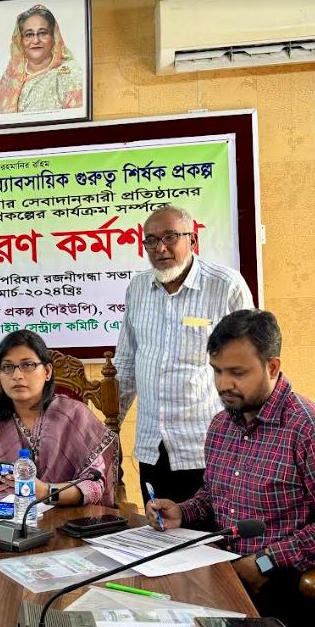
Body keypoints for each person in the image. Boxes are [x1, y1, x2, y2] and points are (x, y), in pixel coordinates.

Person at [147, 310, 315, 627]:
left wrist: (266, 561)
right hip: (234, 580)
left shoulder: (314, 431)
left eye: (237, 373)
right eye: (217, 371)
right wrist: (183, 512)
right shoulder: (222, 426)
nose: (223, 384)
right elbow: (215, 496)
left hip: (299, 592)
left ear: (272, 367)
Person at [114, 205, 254, 504]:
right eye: (151, 240)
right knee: (159, 527)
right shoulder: (138, 288)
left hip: (207, 446)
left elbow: (248, 365)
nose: (160, 248)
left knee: (210, 532)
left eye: (170, 237)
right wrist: (111, 425)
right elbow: (126, 363)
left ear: (193, 240)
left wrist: (249, 435)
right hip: (152, 446)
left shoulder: (225, 286)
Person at [0, 329, 116, 506]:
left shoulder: (75, 415)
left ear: (47, 371)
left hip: (66, 516)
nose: (17, 376)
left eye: (27, 365)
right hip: (3, 516)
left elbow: (94, 485)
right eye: (7, 367)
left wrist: (48, 493)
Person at [0, 4, 84, 114]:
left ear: (54, 37)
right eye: (29, 34)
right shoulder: (11, 75)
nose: (36, 41)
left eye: (42, 33)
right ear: (20, 40)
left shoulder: (70, 73)